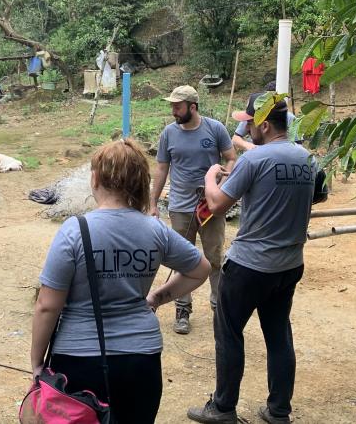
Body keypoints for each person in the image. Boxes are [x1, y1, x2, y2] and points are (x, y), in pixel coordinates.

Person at [31, 139, 210, 423]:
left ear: (96, 178)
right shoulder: (154, 230)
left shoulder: (74, 231)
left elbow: (46, 305)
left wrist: (37, 361)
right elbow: (200, 269)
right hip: (142, 357)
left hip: (78, 358)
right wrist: (157, 298)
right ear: (141, 181)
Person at [188, 92, 315, 424]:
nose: (246, 130)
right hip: (289, 265)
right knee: (278, 335)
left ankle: (223, 407)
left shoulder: (255, 160)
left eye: (250, 123)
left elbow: (216, 205)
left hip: (249, 265)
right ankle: (278, 411)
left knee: (229, 332)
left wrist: (209, 177)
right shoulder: (306, 159)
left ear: (265, 123)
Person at [150, 85, 236, 334]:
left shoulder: (215, 128)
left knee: (214, 258)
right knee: (182, 260)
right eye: (172, 106)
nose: (173, 111)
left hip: (210, 207)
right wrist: (153, 203)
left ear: (192, 106)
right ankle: (182, 310)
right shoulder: (169, 133)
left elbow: (230, 156)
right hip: (179, 207)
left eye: (177, 106)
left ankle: (218, 307)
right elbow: (162, 169)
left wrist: (221, 184)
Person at [231, 82, 300, 152]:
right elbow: (235, 138)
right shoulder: (253, 115)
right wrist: (247, 145)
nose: (247, 127)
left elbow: (298, 144)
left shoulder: (290, 118)